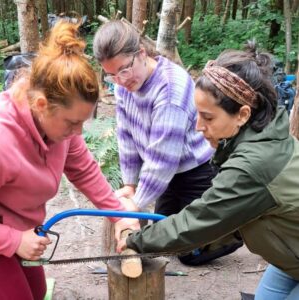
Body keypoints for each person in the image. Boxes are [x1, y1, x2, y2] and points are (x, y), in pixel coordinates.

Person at [117, 41, 299, 299]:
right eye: (197, 115)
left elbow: (201, 219)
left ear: (242, 114)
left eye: (209, 117)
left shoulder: (255, 164)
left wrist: (137, 240)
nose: (198, 126)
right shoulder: (264, 136)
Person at [0, 21, 139, 300]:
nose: (77, 133)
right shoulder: (3, 139)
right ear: (40, 105)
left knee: (37, 292)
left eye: (83, 123)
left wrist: (119, 216)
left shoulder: (59, 127)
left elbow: (84, 170)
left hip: (20, 231)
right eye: (72, 123)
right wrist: (13, 240)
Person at [93, 20, 244, 266]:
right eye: (110, 75)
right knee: (163, 236)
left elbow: (163, 160)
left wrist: (134, 205)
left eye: (123, 70)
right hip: (169, 174)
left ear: (141, 53)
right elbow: (126, 137)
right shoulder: (124, 85)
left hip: (194, 172)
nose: (119, 81)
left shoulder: (171, 88)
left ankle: (231, 230)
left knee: (187, 254)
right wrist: (130, 185)